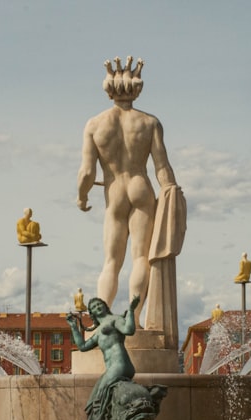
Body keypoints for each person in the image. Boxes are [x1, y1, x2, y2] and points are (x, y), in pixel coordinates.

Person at [77, 56, 182, 332]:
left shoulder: (94, 124)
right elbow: (162, 168)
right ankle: (133, 320)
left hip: (115, 193)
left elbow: (87, 172)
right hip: (140, 187)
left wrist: (82, 196)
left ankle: (102, 322)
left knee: (111, 261)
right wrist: (171, 194)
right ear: (137, 90)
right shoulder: (150, 123)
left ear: (108, 90)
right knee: (140, 259)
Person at [66, 295, 139, 420]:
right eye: (94, 306)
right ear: (91, 312)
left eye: (100, 304)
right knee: (93, 403)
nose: (98, 307)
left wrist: (132, 311)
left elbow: (129, 330)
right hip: (112, 369)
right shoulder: (98, 330)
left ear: (105, 306)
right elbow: (83, 347)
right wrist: (73, 327)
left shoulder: (115, 319)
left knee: (98, 400)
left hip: (120, 365)